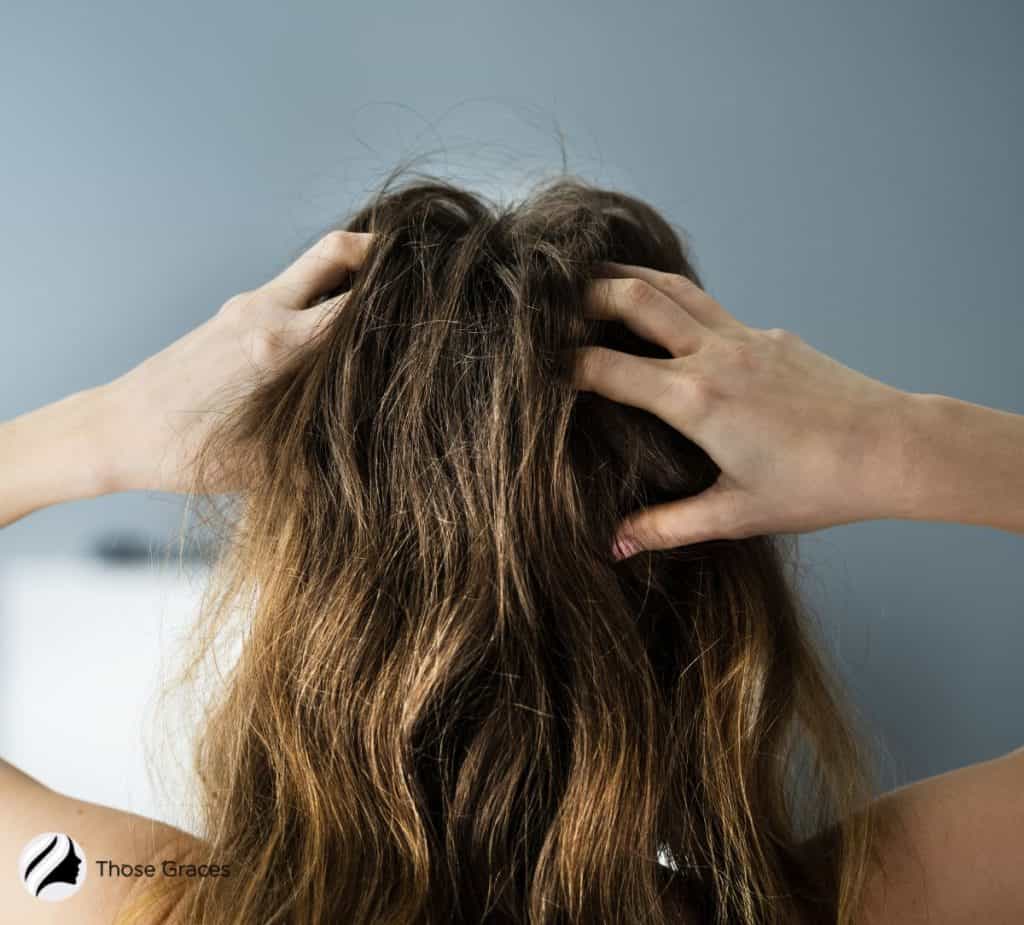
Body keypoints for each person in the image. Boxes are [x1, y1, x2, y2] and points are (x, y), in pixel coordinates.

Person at [1, 173, 1021, 925]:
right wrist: (896, 439)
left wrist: (104, 431)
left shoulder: (149, 906)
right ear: (712, 605)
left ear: (314, 600)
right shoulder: (849, 906)